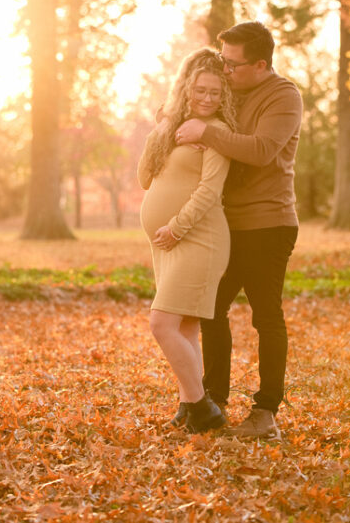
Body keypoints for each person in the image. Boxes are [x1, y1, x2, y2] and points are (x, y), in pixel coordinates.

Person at [173, 21, 302, 440]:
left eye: (232, 64)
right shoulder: (230, 92)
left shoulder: (283, 96)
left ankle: (265, 413)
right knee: (209, 310)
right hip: (226, 222)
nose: (224, 70)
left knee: (266, 317)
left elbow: (263, 151)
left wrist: (206, 133)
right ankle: (211, 401)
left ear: (260, 64)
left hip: (268, 224)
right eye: (222, 62)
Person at [138, 48, 238, 434]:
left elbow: (209, 191)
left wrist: (176, 227)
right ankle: (188, 404)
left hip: (199, 239)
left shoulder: (217, 134)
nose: (209, 98)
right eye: (201, 90)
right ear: (186, 88)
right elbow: (145, 178)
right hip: (167, 244)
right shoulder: (173, 129)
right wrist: (162, 130)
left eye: (216, 92)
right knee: (183, 330)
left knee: (161, 323)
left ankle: (203, 407)